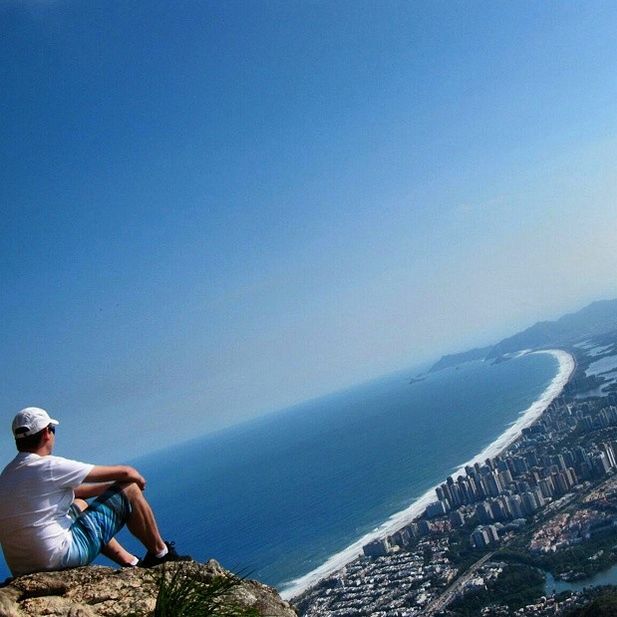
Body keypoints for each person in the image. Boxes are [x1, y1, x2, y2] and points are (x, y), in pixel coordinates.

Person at [0, 407, 190, 577]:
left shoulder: (7, 476)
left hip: (22, 568)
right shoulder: (48, 466)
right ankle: (161, 555)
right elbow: (125, 472)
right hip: (58, 559)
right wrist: (130, 481)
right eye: (53, 430)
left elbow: (75, 491)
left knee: (79, 504)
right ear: (46, 434)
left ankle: (131, 562)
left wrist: (112, 489)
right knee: (130, 489)